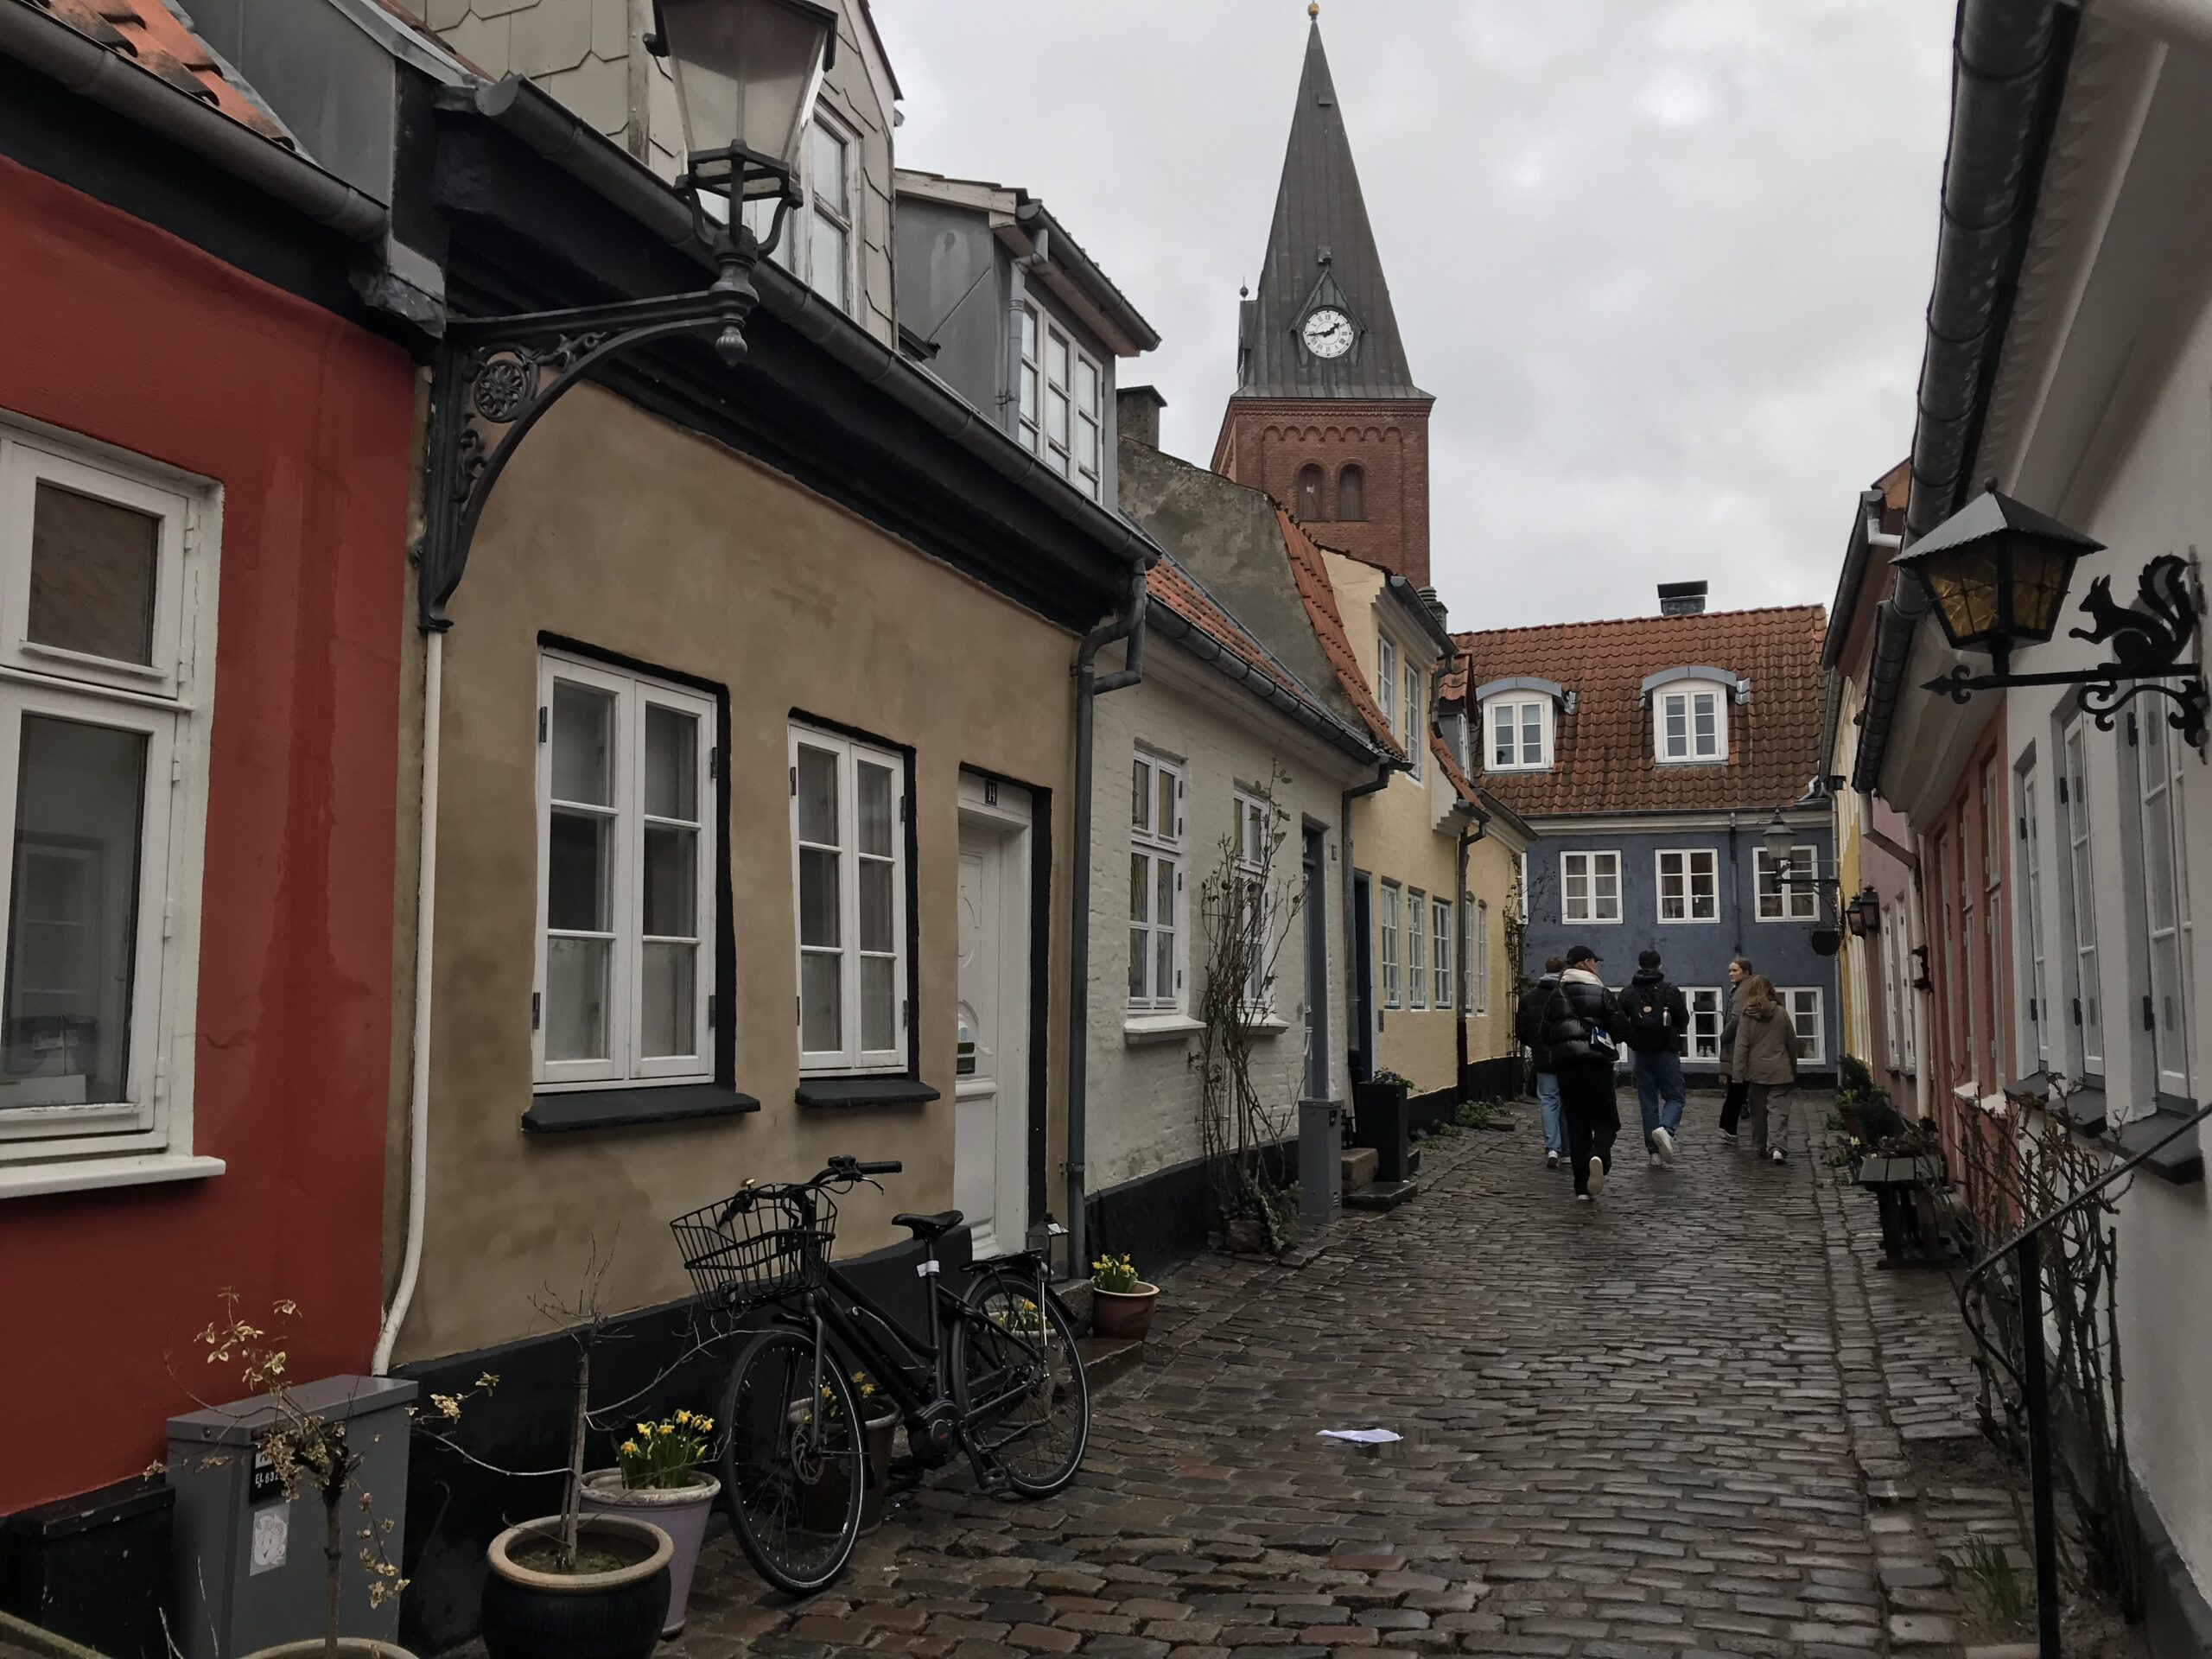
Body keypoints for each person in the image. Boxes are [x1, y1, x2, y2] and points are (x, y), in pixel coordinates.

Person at [1540, 944, 1626, 1202]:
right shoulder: (1601, 992)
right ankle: (1598, 1154)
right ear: (1587, 962)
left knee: (1577, 1124)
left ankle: (1582, 1188)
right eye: (1595, 962)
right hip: (1597, 1063)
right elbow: (1621, 1029)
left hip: (1566, 1066)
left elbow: (1545, 1033)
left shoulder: (1556, 995)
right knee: (1608, 1120)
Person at [1623, 948, 1689, 1168]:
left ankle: (1654, 1153)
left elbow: (1618, 1020)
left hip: (1641, 1052)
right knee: (1675, 1097)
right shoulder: (1670, 990)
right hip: (1666, 1050)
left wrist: (1631, 1038)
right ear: (1660, 965)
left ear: (1639, 966)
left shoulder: (1629, 992)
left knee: (1648, 1101)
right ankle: (1666, 1129)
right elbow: (1683, 1020)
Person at [1731, 973, 1798, 1163]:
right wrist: (1793, 1067)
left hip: (1756, 1071)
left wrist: (1737, 1075)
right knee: (1779, 1111)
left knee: (1758, 1112)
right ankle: (1777, 1147)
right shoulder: (1781, 1013)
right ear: (1770, 990)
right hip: (1780, 1070)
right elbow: (1792, 1043)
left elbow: (1741, 1047)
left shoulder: (1746, 1016)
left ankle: (1759, 1145)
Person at [1516, 955, 1568, 1167]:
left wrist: (1537, 1044)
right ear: (1562, 971)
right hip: (1566, 1056)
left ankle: (1552, 1147)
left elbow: (1521, 1030)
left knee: (1548, 1101)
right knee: (1566, 1101)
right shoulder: (1567, 994)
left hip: (1543, 1057)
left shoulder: (1529, 998)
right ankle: (1567, 1149)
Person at [1715, 957, 1754, 1141]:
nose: (1731, 974)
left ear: (1746, 972)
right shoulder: (1740, 989)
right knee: (1736, 1090)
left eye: (1735, 970)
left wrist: (1724, 1036)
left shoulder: (1742, 991)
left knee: (1736, 1090)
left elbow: (1737, 1018)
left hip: (1737, 1047)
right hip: (1737, 1047)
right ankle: (1727, 1128)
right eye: (1730, 970)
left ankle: (1728, 1128)